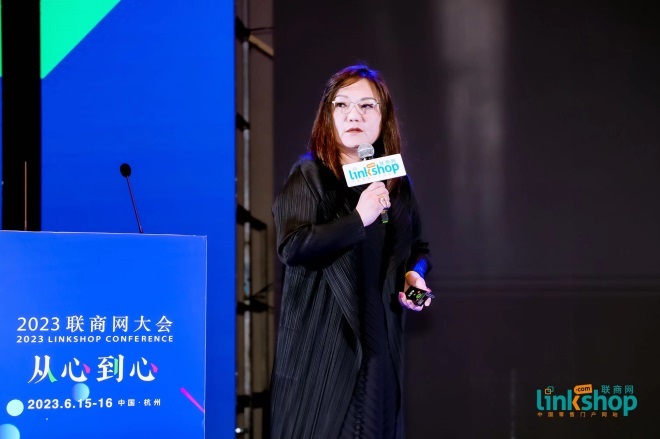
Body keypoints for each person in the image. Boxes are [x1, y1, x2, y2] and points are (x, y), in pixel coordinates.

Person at [270, 64, 433, 439]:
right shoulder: (310, 174)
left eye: (366, 106)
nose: (353, 115)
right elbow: (292, 245)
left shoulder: (393, 179)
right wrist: (358, 218)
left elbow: (417, 247)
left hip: (378, 340)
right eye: (341, 105)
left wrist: (414, 275)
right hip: (324, 347)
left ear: (383, 117)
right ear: (327, 116)